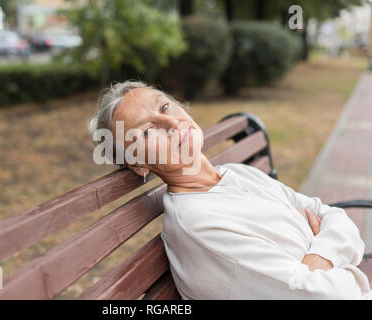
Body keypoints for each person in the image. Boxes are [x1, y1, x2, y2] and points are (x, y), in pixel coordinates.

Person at [88, 80, 372, 299]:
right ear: (138, 164)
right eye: (148, 131)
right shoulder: (200, 226)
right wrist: (329, 251)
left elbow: (334, 216)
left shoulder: (233, 173)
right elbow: (326, 294)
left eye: (164, 107)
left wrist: (316, 258)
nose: (172, 123)